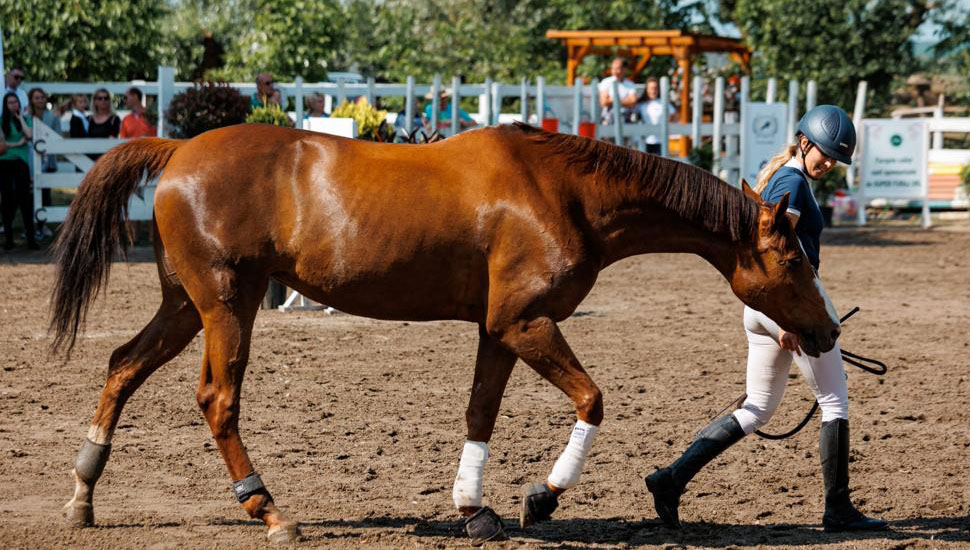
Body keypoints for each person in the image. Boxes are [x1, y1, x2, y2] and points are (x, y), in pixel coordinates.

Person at [644, 105, 887, 533]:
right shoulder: (791, 182)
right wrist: (786, 325)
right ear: (804, 142)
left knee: (756, 408)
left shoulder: (787, 178)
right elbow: (773, 258)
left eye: (835, 159)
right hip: (783, 309)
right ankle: (838, 509)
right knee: (834, 402)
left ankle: (670, 479)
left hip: (762, 310)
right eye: (825, 154)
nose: (829, 164)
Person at [0, 92, 37, 250]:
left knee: (25, 199)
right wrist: (17, 143)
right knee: (7, 199)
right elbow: (2, 146)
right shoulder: (1, 122)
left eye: (15, 102)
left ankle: (31, 238)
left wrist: (20, 118)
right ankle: (9, 239)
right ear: (5, 105)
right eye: (10, 102)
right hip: (5, 163)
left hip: (21, 162)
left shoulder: (27, 119)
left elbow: (29, 135)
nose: (13, 105)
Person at [635, 77, 675, 155]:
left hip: (660, 141)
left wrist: (667, 123)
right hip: (644, 141)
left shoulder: (663, 102)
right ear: (647, 90)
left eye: (655, 88)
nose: (653, 91)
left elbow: (673, 113)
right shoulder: (640, 104)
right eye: (651, 88)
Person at [598, 57, 637, 123]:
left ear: (624, 69)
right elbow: (604, 102)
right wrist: (625, 100)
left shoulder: (630, 84)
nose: (614, 71)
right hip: (609, 118)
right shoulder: (606, 82)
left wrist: (612, 99)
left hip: (626, 119)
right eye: (613, 68)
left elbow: (633, 102)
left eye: (617, 68)